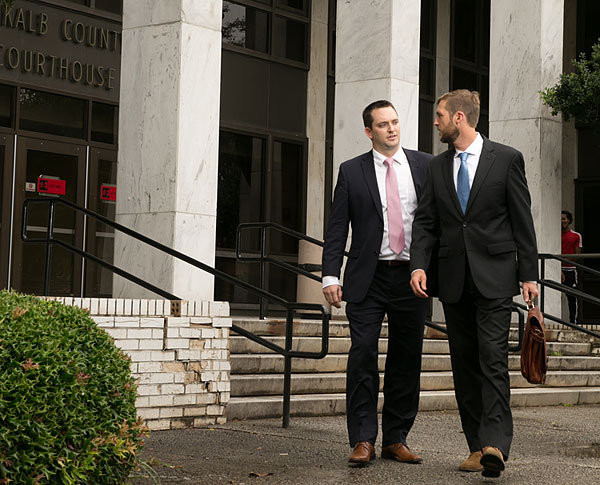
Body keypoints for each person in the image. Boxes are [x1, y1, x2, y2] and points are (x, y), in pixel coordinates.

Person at [409, 90, 539, 478]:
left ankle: (495, 444)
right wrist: (418, 266)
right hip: (452, 280)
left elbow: (522, 221)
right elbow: (426, 222)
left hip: (496, 278)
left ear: (460, 118)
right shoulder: (436, 167)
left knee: (492, 360)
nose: (436, 122)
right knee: (464, 365)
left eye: (440, 116)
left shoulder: (506, 159)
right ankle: (475, 445)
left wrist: (528, 274)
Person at [322, 100, 432, 466]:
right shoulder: (351, 171)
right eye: (383, 124)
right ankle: (363, 439)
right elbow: (338, 227)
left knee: (406, 359)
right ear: (369, 131)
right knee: (363, 354)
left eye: (395, 122)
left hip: (412, 278)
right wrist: (329, 275)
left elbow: (435, 224)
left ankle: (396, 438)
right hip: (367, 279)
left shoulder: (425, 166)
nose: (392, 129)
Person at [561, 210, 582, 323]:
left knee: (572, 296)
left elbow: (576, 255)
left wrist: (561, 262)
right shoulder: (554, 235)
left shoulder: (575, 236)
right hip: (555, 269)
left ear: (569, 220)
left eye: (564, 218)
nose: (562, 221)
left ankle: (573, 321)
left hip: (570, 269)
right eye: (560, 219)